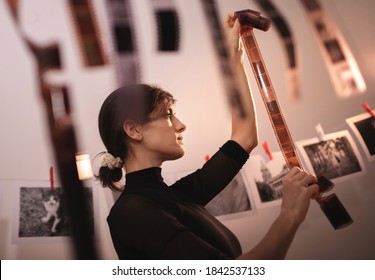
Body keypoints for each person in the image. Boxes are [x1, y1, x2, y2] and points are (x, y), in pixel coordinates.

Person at [96, 13, 319, 260]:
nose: (181, 126)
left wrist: (233, 54)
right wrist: (289, 215)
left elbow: (244, 138)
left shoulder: (175, 195)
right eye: (169, 115)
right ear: (134, 130)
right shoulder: (132, 212)